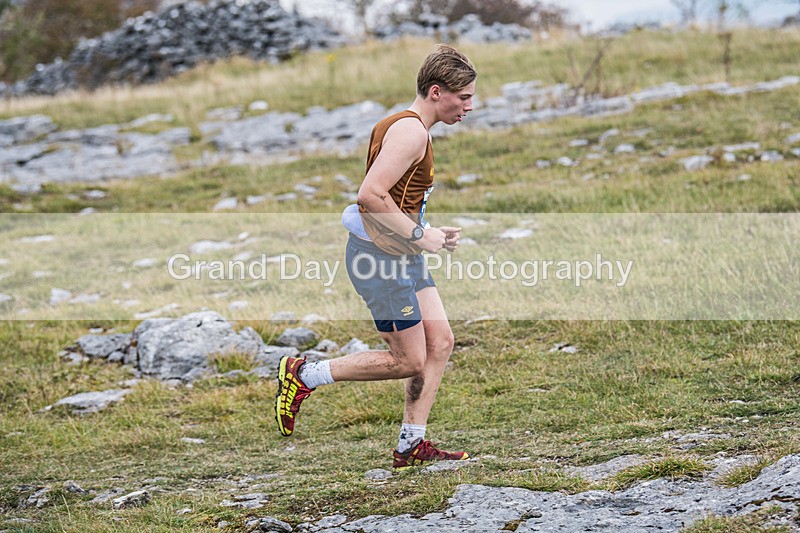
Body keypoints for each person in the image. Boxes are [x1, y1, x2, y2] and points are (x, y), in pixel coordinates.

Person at [275, 44, 476, 469]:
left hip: (400, 253)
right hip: (379, 259)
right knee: (408, 360)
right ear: (437, 91)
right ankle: (304, 375)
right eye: (465, 97)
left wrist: (429, 235)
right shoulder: (411, 131)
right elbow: (369, 195)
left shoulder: (403, 124)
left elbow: (396, 199)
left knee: (440, 342)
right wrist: (422, 235)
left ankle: (411, 444)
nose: (470, 106)